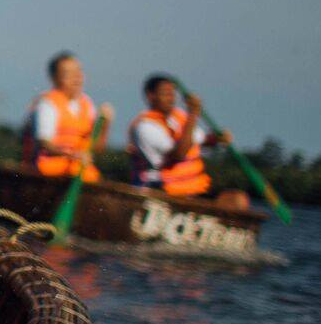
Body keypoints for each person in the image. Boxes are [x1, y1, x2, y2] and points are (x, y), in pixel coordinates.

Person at [130, 75, 247, 208]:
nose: (171, 99)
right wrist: (193, 114)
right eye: (165, 94)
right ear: (151, 96)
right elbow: (179, 154)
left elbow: (201, 140)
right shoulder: (145, 126)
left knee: (237, 200)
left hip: (194, 188)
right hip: (163, 189)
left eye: (172, 94)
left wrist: (218, 139)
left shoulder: (179, 117)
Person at [20, 52, 111, 182]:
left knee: (93, 176)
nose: (77, 78)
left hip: (79, 170)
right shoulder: (47, 104)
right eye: (69, 74)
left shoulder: (87, 104)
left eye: (79, 72)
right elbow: (44, 143)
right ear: (55, 79)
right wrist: (72, 155)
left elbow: (97, 149)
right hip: (48, 171)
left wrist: (105, 124)